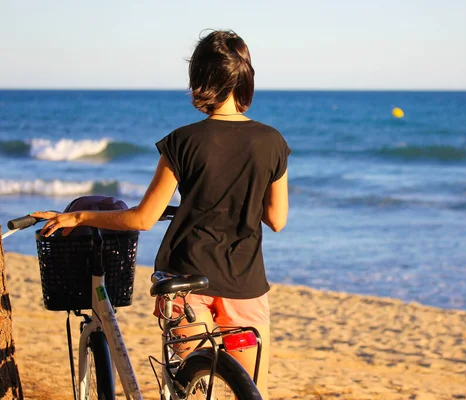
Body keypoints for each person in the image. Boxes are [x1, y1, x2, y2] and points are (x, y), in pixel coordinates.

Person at [33, 29, 290, 399]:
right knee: (250, 390)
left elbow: (142, 219)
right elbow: (277, 219)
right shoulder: (273, 142)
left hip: (187, 280)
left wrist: (79, 216)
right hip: (245, 285)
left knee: (189, 387)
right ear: (245, 78)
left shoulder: (183, 141)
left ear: (201, 79)